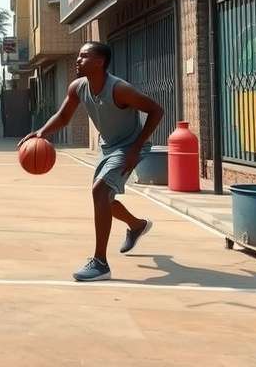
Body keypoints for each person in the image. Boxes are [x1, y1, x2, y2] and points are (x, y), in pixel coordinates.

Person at [19, 42, 164, 282]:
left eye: (84, 56)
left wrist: (136, 148)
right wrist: (41, 132)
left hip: (129, 146)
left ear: (99, 62)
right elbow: (64, 117)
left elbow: (156, 111)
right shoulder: (78, 87)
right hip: (109, 147)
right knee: (104, 198)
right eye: (78, 55)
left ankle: (100, 263)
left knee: (100, 191)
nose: (78, 60)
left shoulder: (120, 89)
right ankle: (136, 225)